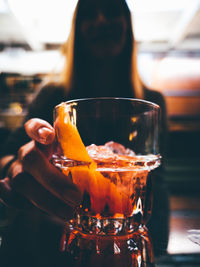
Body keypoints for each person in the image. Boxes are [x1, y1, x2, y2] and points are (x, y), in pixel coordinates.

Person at [0, 0, 169, 266]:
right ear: (77, 29)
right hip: (59, 246)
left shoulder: (151, 102)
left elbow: (158, 182)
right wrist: (17, 167)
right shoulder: (54, 97)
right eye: (90, 14)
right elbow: (8, 156)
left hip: (136, 244)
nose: (102, 21)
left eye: (112, 11)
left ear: (128, 24)